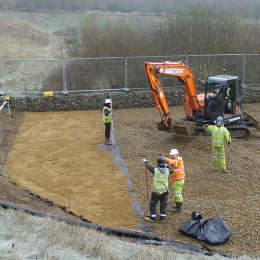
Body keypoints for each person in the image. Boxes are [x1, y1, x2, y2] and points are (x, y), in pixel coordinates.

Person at [142, 156, 173, 222]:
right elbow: (172, 170)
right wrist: (166, 165)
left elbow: (149, 166)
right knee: (163, 204)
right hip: (165, 191)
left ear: (158, 163)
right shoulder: (167, 171)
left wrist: (146, 161)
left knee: (153, 204)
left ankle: (152, 217)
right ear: (164, 163)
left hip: (156, 192)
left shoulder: (155, 170)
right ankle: (163, 217)